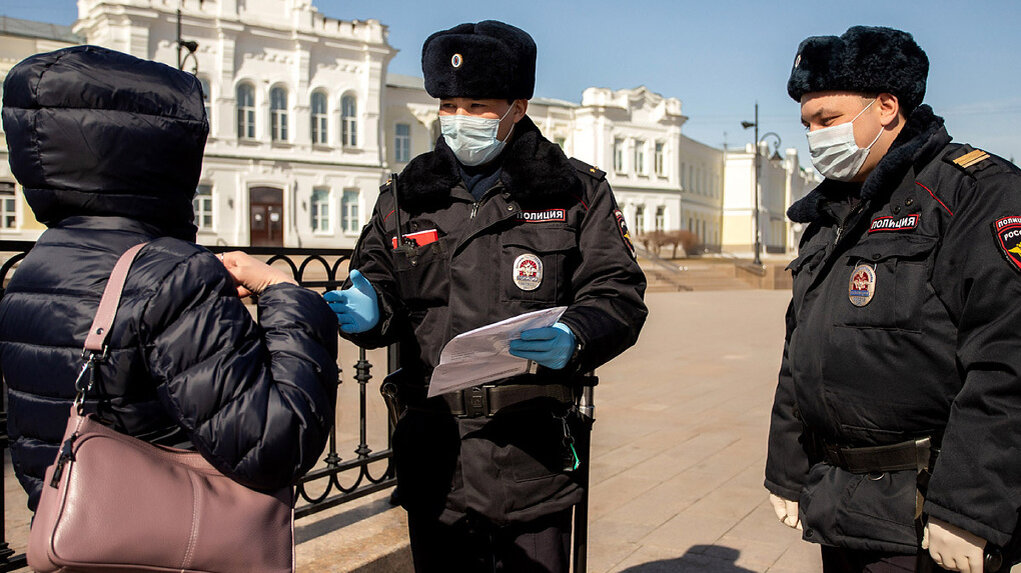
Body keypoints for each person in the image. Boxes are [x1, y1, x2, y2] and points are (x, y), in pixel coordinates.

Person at [325, 20, 647, 572]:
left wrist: (578, 333)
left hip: (528, 452)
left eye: (476, 106)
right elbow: (376, 275)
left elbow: (617, 290)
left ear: (516, 107)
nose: (458, 120)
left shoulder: (574, 191)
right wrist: (369, 308)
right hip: (434, 452)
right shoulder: (407, 196)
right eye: (447, 106)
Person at [0, 45, 339, 512]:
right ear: (162, 151)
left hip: (72, 525)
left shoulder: (34, 268)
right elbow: (277, 445)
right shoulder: (175, 274)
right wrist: (287, 295)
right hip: (167, 540)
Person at [765, 26, 1021, 573]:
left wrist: (968, 511)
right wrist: (786, 467)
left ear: (886, 107)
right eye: (806, 125)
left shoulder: (972, 195)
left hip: (931, 514)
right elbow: (801, 352)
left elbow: (1008, 362)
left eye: (828, 120)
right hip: (844, 505)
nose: (814, 138)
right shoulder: (830, 216)